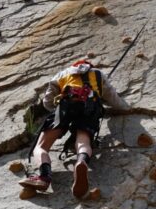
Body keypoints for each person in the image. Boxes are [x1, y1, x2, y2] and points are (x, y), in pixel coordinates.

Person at [19, 59, 128, 198]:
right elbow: (113, 98)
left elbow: (47, 101)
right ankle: (81, 161)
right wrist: (127, 107)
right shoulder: (98, 74)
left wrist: (55, 110)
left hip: (66, 105)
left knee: (40, 147)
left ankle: (44, 177)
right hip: (91, 107)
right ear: (90, 66)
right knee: (83, 142)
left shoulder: (63, 74)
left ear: (74, 65)